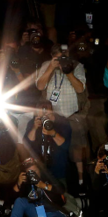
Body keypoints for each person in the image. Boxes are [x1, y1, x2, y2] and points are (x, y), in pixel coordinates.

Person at [36, 44, 89, 188]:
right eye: (58, 58)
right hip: (53, 116)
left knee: (76, 149)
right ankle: (55, 178)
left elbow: (80, 88)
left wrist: (68, 71)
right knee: (56, 148)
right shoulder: (47, 65)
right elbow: (40, 86)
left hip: (71, 116)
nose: (61, 60)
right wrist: (51, 68)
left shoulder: (77, 66)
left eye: (64, 57)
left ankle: (81, 180)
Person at [4, 158, 69, 217]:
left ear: (39, 169)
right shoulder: (27, 182)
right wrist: (18, 183)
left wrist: (44, 186)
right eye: (30, 172)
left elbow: (61, 188)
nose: (33, 174)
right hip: (39, 211)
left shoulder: (47, 177)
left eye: (35, 171)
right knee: (20, 201)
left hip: (55, 211)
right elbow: (10, 199)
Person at [24, 102, 72, 182]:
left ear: (52, 111)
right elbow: (28, 143)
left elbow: (65, 145)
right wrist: (34, 128)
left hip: (58, 166)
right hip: (40, 167)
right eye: (41, 112)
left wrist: (52, 132)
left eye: (46, 111)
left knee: (60, 191)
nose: (44, 114)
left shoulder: (62, 122)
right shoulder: (34, 122)